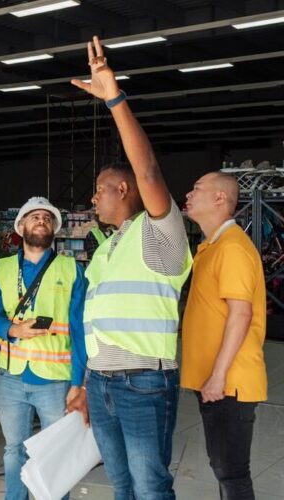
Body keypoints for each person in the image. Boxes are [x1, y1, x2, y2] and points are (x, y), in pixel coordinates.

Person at [68, 36, 192, 500]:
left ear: (123, 189)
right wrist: (83, 382)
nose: (94, 197)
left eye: (100, 189)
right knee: (121, 484)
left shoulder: (159, 233)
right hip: (102, 382)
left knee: (149, 485)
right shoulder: (105, 248)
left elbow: (150, 173)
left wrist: (114, 99)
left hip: (143, 380)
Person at [0, 196, 88, 500]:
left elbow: (81, 329)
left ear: (54, 228)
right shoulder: (3, 268)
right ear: (21, 227)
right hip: (11, 377)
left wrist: (78, 383)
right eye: (35, 217)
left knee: (57, 453)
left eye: (47, 217)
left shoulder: (71, 269)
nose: (41, 221)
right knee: (14, 450)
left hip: (55, 380)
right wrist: (11, 330)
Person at [183, 172, 267, 499]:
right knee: (224, 470)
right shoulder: (213, 246)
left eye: (197, 188)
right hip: (216, 382)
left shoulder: (232, 247)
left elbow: (241, 313)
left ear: (220, 198)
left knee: (232, 474)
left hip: (229, 383)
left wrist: (217, 377)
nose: (188, 194)